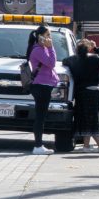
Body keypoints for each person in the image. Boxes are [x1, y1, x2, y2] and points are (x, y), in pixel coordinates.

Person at [62, 39, 99, 152]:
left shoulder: (71, 60)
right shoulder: (95, 58)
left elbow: (64, 61)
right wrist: (95, 48)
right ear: (89, 49)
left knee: (85, 119)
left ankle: (87, 146)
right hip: (93, 91)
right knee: (93, 119)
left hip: (80, 93)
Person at [26, 25, 58, 155]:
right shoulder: (38, 50)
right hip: (41, 85)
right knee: (40, 116)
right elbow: (51, 63)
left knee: (41, 116)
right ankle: (38, 145)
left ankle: (39, 145)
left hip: (44, 85)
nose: (50, 38)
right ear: (40, 37)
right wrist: (51, 48)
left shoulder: (41, 49)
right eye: (48, 35)